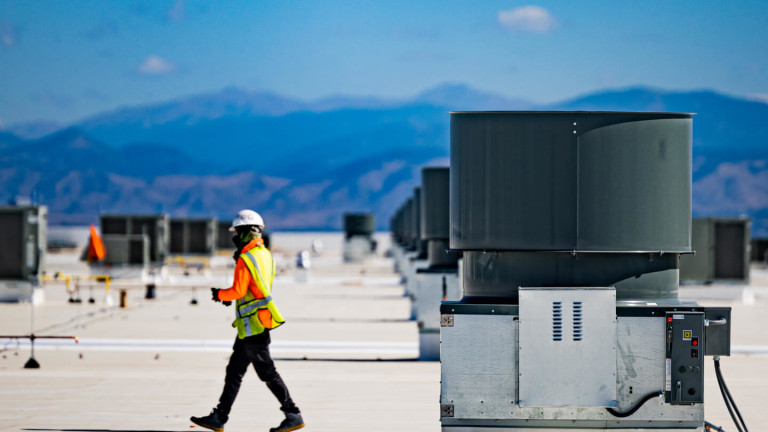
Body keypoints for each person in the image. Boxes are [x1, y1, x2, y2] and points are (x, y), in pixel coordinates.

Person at [191, 210, 304, 432]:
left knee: (267, 372)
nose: (234, 237)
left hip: (253, 327)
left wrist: (220, 294)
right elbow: (256, 287)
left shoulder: (246, 258)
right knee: (234, 371)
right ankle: (219, 417)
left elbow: (238, 290)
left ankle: (293, 414)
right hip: (253, 326)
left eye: (237, 232)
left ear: (244, 233)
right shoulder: (265, 255)